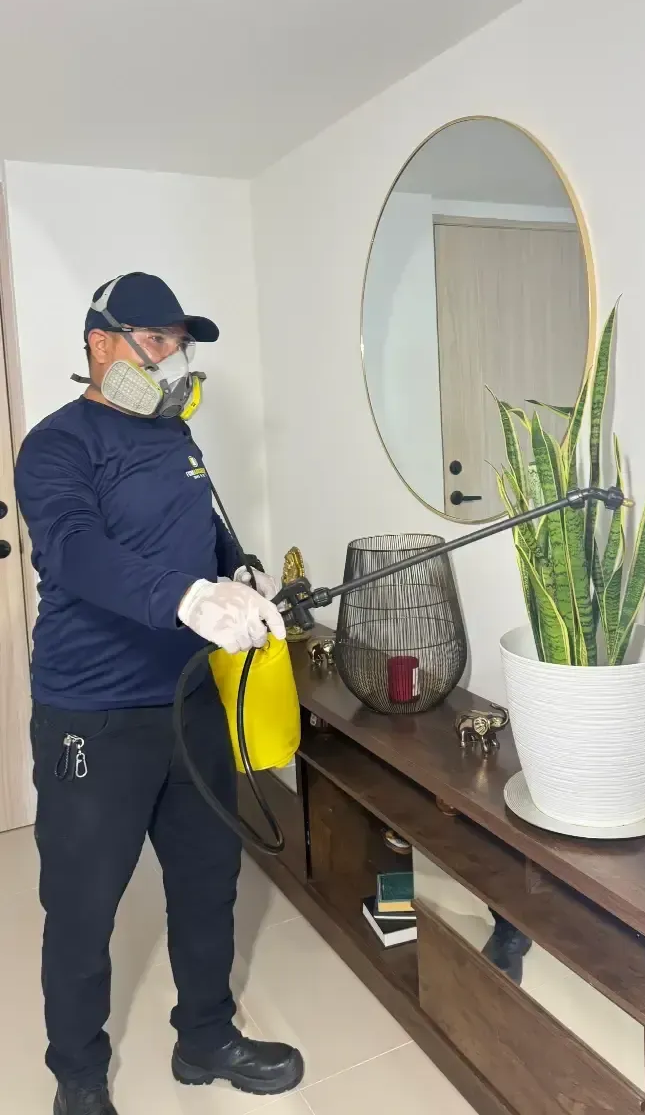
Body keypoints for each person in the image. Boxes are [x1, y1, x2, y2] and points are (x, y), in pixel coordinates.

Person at [14, 272, 304, 1115]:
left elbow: (198, 531)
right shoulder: (57, 444)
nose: (170, 360)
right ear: (100, 343)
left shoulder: (176, 434)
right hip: (94, 713)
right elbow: (73, 549)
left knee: (209, 878)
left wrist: (235, 571)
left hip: (189, 699)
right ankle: (77, 1076)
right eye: (154, 342)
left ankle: (204, 1036)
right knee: (83, 905)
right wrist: (184, 598)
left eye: (178, 345)